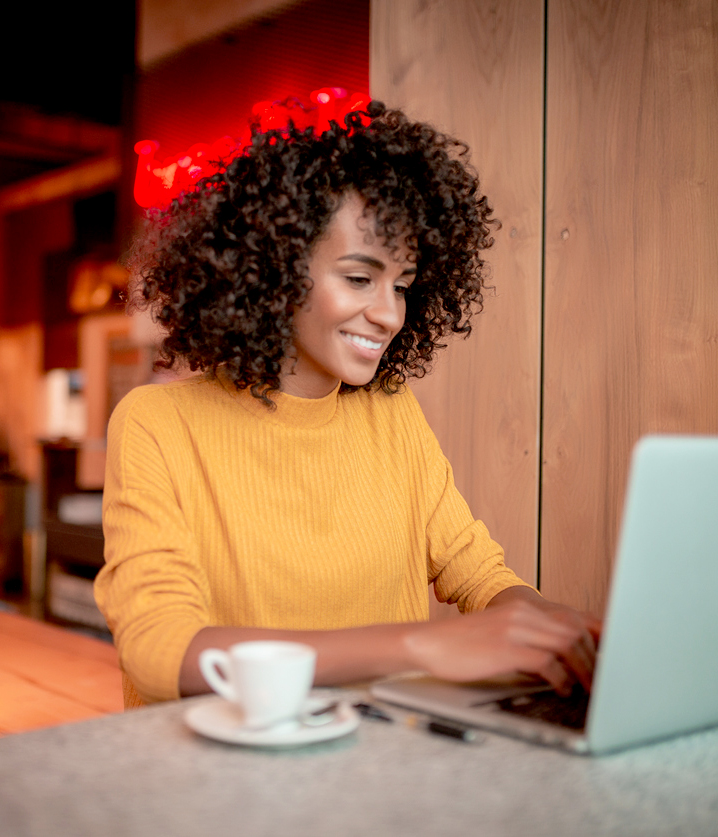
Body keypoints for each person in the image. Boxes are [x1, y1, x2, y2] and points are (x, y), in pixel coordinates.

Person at [94, 101, 601, 708]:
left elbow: (480, 574)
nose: (388, 313)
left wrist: (569, 635)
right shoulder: (159, 425)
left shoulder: (389, 410)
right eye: (359, 279)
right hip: (228, 772)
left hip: (377, 756)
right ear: (275, 270)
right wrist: (418, 647)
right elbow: (158, 651)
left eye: (403, 286)